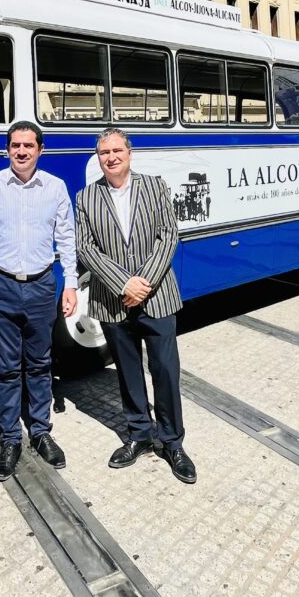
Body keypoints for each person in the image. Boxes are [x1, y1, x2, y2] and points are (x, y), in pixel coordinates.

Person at [74, 127, 195, 484]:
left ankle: (173, 443)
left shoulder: (154, 186)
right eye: (104, 152)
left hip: (157, 297)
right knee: (128, 372)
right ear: (98, 158)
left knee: (165, 371)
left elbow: (168, 235)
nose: (110, 157)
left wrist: (142, 283)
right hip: (113, 301)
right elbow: (85, 248)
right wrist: (122, 283)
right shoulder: (86, 197)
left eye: (117, 150)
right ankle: (140, 435)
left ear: (130, 153)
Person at [0, 121, 77, 482]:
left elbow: (66, 239)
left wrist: (71, 285)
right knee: (5, 366)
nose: (21, 151)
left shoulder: (56, 188)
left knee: (40, 362)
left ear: (40, 150)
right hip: (0, 286)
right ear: (7, 149)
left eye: (29, 145)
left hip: (42, 286)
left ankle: (42, 432)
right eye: (15, 145)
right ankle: (11, 440)